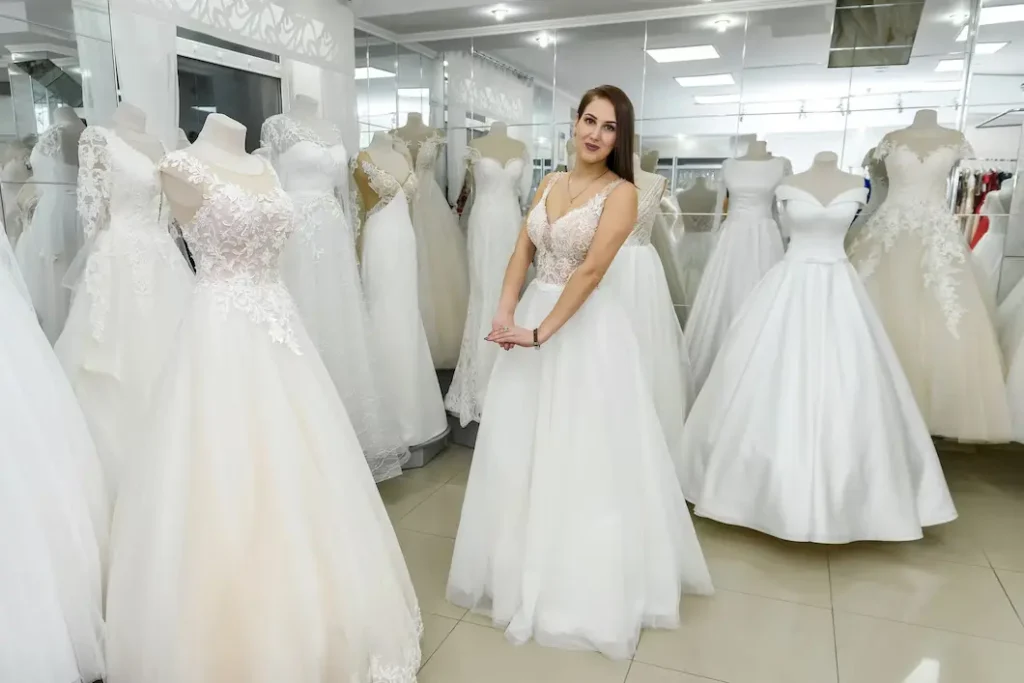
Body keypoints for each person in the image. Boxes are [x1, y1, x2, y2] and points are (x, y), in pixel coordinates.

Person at [446, 85, 712, 660]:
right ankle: (518, 567)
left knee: (583, 452)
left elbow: (590, 272)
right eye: (589, 120)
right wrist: (505, 309)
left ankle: (578, 583)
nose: (595, 134)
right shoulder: (547, 184)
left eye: (609, 127)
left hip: (583, 329)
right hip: (532, 317)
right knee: (524, 449)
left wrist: (541, 333)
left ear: (622, 137)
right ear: (575, 123)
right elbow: (523, 249)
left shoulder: (622, 194)